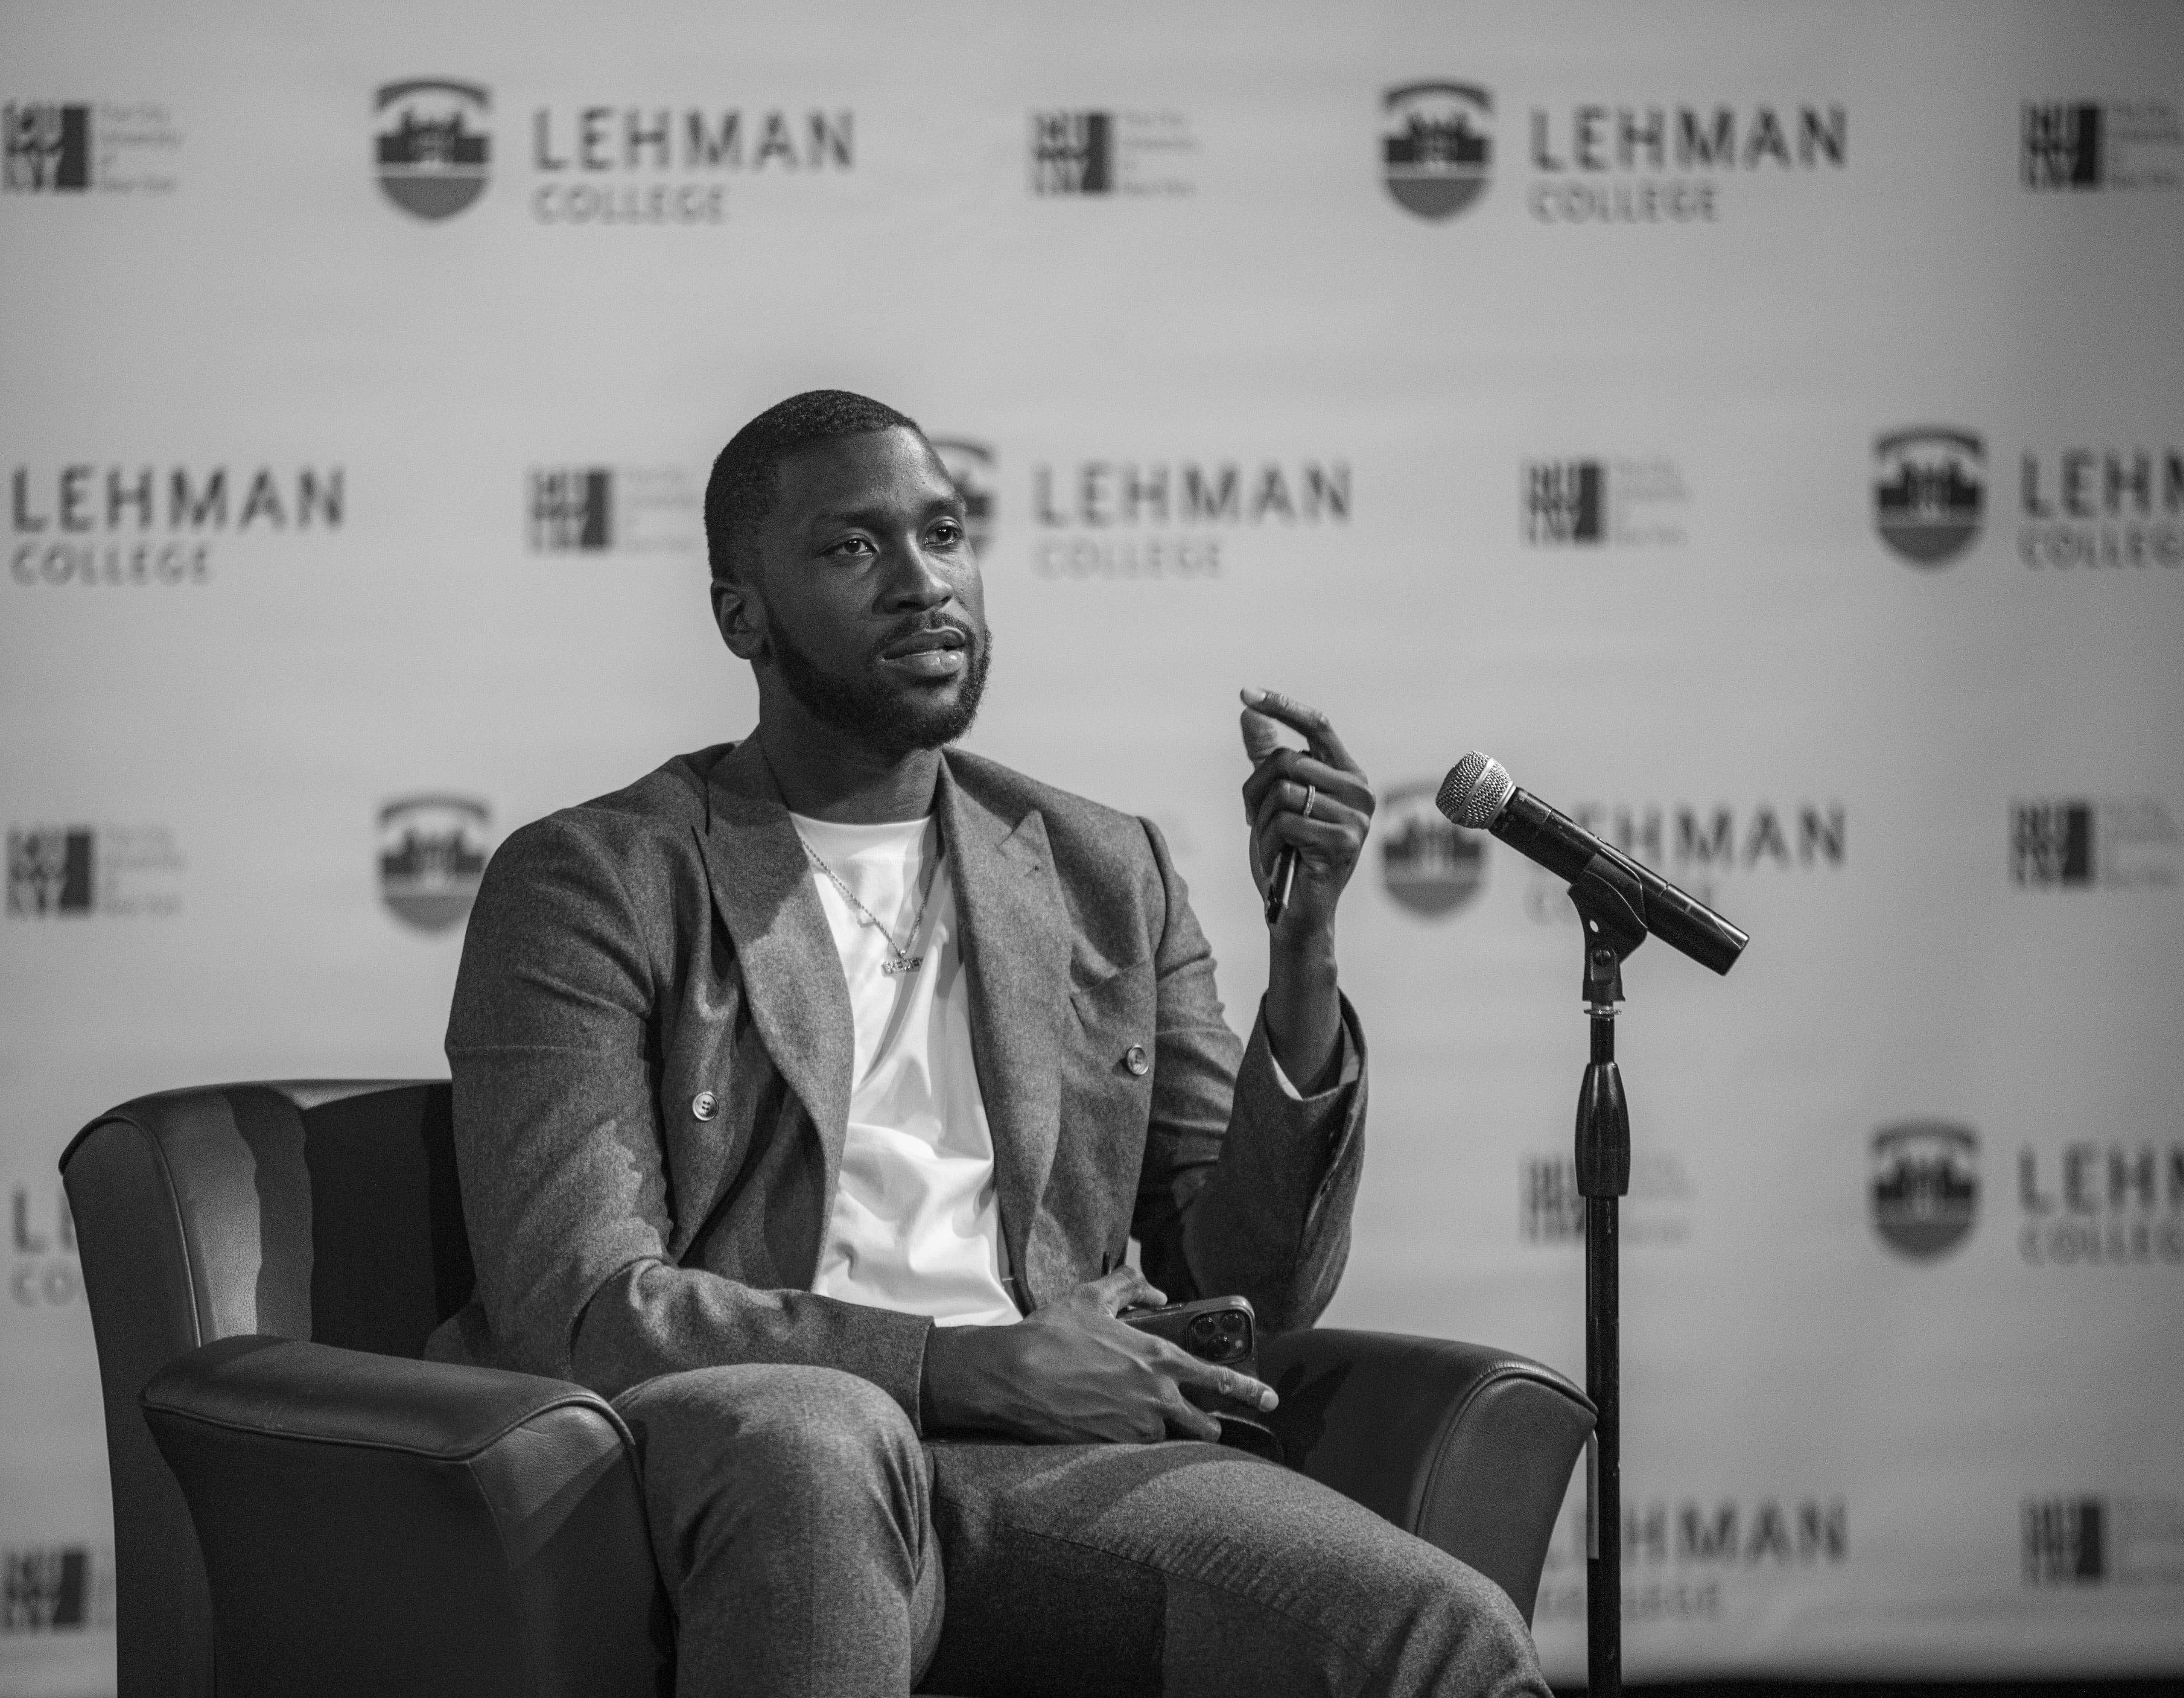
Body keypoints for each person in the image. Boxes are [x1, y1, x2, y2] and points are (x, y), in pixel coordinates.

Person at [428, 390, 1547, 1697]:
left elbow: (1253, 1284)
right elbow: (584, 1312)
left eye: (945, 535)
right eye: (853, 549)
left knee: (1446, 1638)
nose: (922, 584)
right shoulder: (597, 878)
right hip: (755, 1448)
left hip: (1050, 1464)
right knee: (819, 1438)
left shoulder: (1098, 867)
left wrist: (1304, 958)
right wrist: (966, 1366)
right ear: (744, 616)